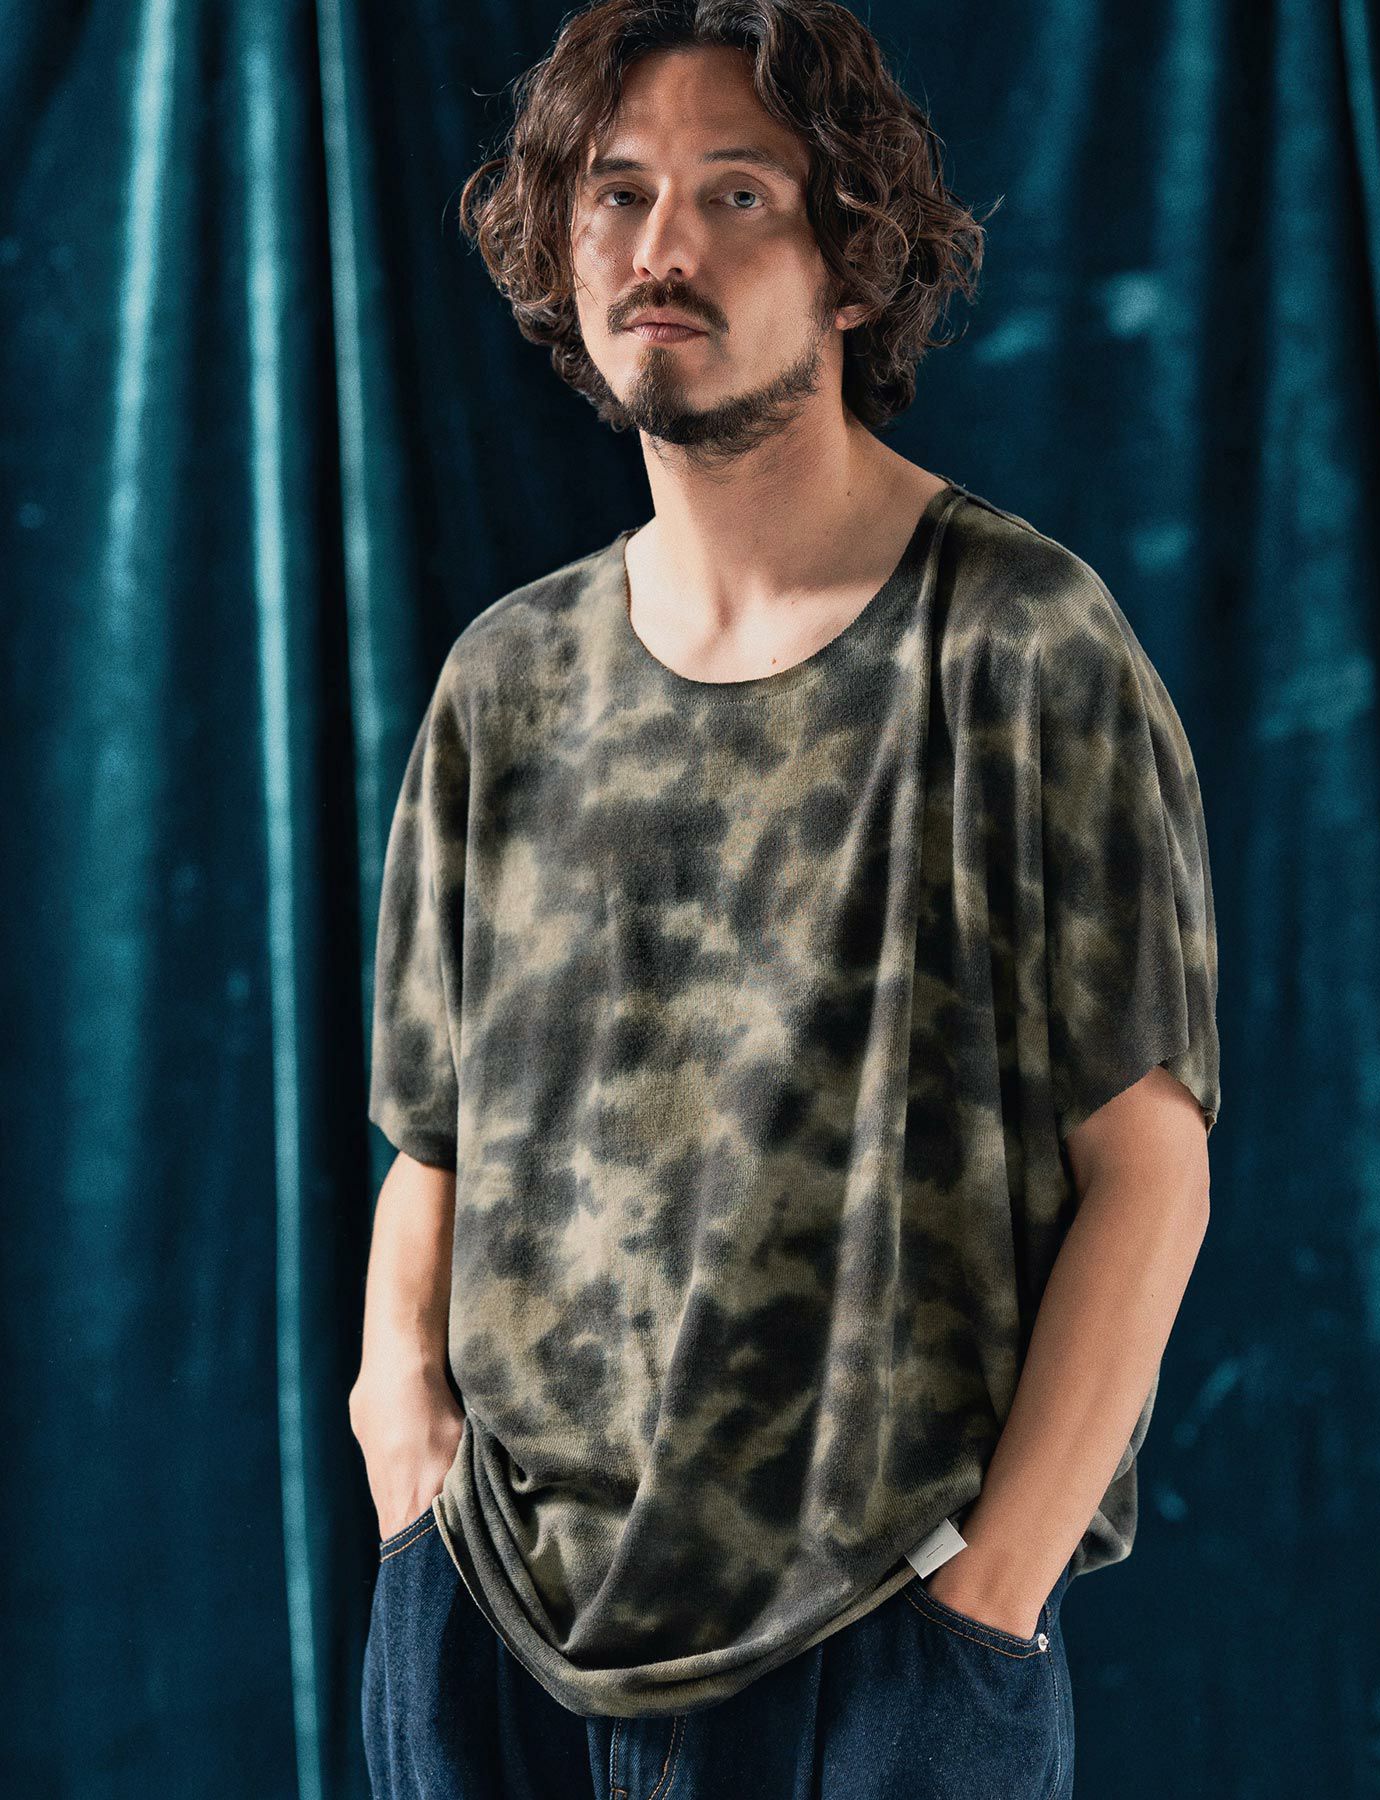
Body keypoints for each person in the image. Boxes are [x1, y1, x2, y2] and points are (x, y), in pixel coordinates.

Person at [351, 1, 1222, 1794]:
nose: (661, 247)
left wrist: (985, 1603)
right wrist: (408, 1483)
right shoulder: (506, 684)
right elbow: (427, 1153)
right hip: (497, 1638)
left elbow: (1150, 1169)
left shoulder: (1021, 648)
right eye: (618, 192)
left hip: (880, 1650)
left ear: (853, 262)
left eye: (736, 193)